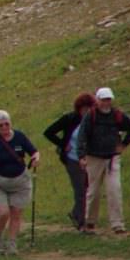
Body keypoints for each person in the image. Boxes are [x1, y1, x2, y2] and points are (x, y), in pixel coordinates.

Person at [77, 86, 130, 234]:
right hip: (94, 158)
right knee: (93, 192)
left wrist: (124, 144)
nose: (107, 103)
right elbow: (82, 136)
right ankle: (90, 222)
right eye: (104, 100)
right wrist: (81, 156)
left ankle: (117, 224)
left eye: (109, 100)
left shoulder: (117, 115)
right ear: (97, 100)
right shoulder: (90, 116)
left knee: (115, 190)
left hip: (112, 158)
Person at [0, 110, 39, 255]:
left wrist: (36, 158)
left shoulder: (19, 136)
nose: (5, 128)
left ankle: (12, 244)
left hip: (19, 182)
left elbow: (34, 151)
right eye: (1, 126)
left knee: (16, 213)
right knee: (3, 212)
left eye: (7, 124)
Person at [42, 92, 96, 230]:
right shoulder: (70, 119)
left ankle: (76, 213)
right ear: (78, 108)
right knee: (80, 189)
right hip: (72, 159)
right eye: (84, 109)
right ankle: (81, 222)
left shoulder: (94, 120)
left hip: (90, 158)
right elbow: (49, 132)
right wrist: (62, 144)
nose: (87, 111)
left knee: (89, 188)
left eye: (89, 108)